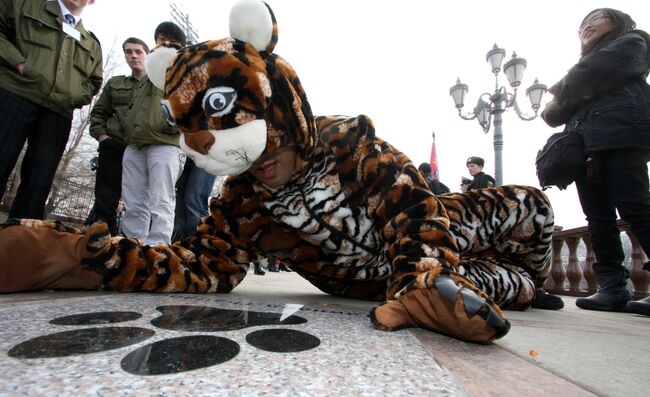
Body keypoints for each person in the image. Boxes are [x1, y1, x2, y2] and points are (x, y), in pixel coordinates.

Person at [0, 0, 560, 344]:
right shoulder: (241, 202)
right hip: (380, 288)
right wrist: (89, 259)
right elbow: (199, 266)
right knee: (512, 290)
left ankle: (500, 274)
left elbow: (411, 208)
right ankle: (514, 283)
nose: (256, 161)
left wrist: (420, 277)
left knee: (533, 207)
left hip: (436, 239)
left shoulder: (348, 141)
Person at [541, 8, 650, 316]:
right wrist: (580, 86)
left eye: (594, 20)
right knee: (598, 217)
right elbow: (551, 114)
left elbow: (587, 73)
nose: (586, 27)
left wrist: (573, 86)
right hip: (585, 147)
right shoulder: (589, 66)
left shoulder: (633, 42)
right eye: (581, 26)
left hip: (621, 135)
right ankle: (612, 286)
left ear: (616, 22)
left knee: (636, 207)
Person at [0, 0, 103, 219]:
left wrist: (73, 96)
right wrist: (19, 63)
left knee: (39, 182)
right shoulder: (23, 6)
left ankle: (21, 242)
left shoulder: (91, 43)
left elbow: (94, 82)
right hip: (15, 94)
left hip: (58, 112)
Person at [119, 23, 185, 246]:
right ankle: (132, 246)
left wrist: (172, 127)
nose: (164, 43)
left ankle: (158, 250)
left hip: (165, 143)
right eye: (160, 39)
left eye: (170, 40)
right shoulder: (148, 70)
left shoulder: (184, 69)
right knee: (133, 200)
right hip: (136, 144)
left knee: (161, 199)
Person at [87, 37, 149, 235]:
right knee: (106, 196)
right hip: (114, 144)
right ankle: (102, 235)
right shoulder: (115, 84)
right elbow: (98, 112)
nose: (133, 56)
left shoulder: (156, 86)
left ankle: (133, 239)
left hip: (142, 148)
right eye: (129, 51)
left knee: (138, 197)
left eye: (138, 51)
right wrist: (102, 136)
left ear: (147, 55)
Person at [172, 157, 217, 240]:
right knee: (179, 203)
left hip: (208, 154)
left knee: (194, 201)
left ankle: (200, 243)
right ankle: (183, 244)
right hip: (185, 152)